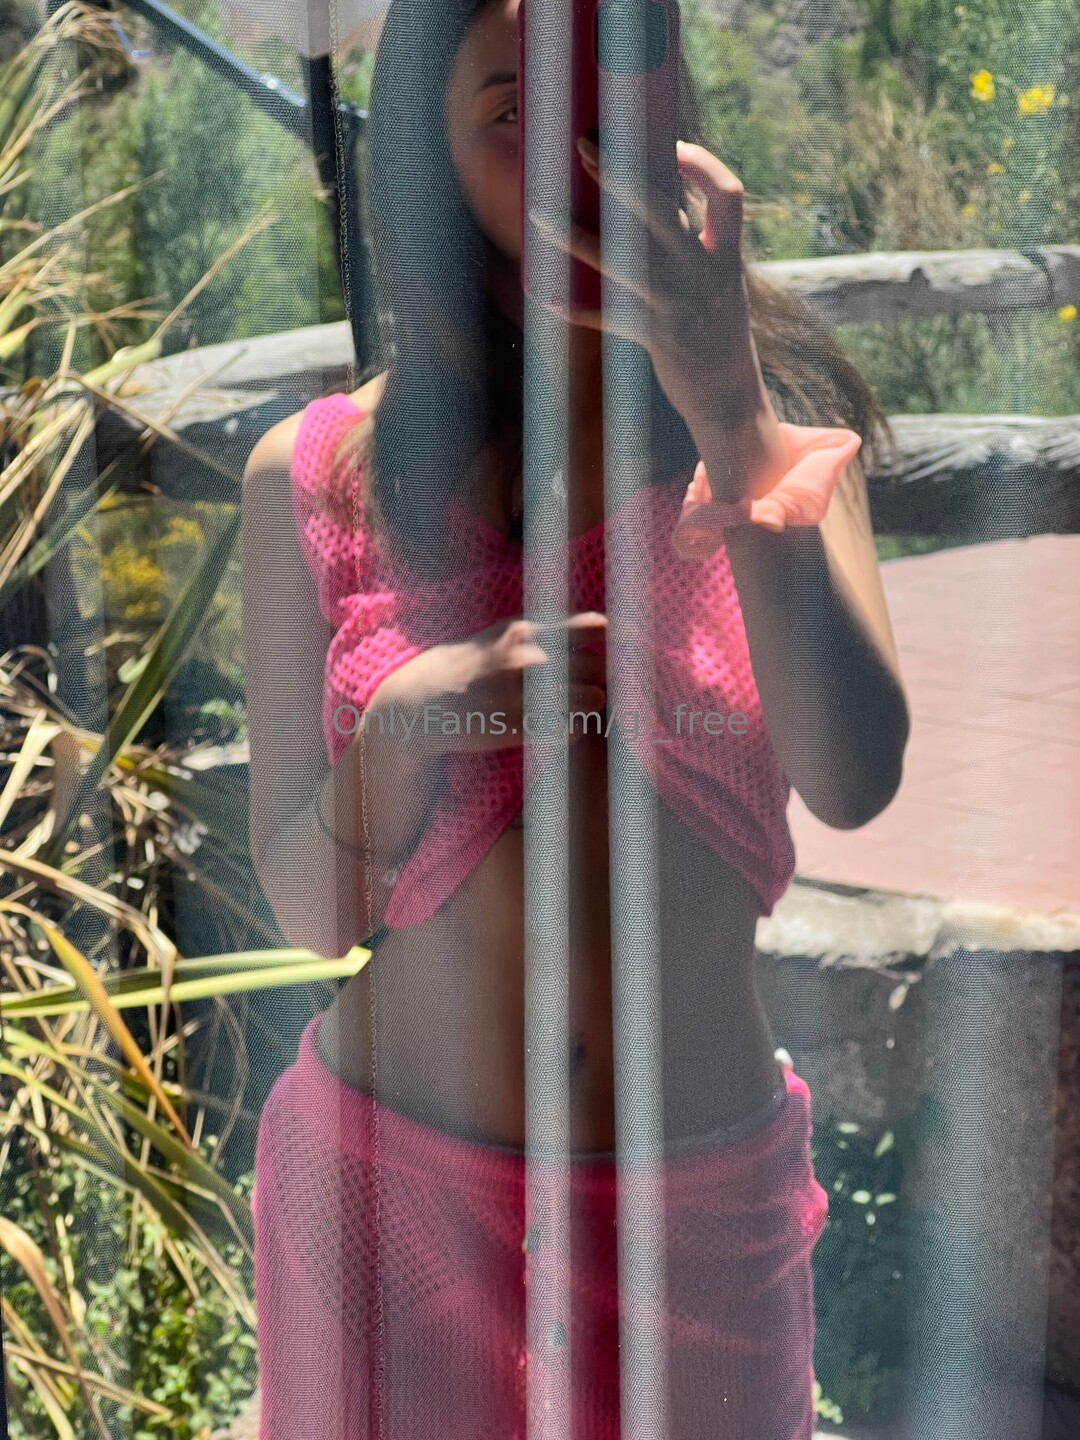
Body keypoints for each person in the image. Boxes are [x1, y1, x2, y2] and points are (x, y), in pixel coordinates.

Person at [240, 1, 910, 1435]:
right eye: (511, 109)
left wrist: (727, 406)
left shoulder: (776, 438)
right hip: (383, 1194)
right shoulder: (313, 473)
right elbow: (304, 910)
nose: (568, 149)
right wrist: (400, 729)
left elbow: (855, 773)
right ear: (425, 150)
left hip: (697, 1212)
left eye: (605, 90)